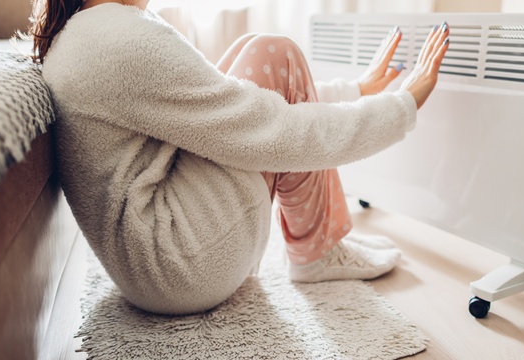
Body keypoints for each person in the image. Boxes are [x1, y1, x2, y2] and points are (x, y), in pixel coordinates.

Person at [32, 0, 450, 315]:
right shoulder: (122, 38)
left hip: (149, 264)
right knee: (274, 53)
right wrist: (401, 108)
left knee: (259, 52)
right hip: (184, 266)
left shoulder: (84, 32)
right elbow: (269, 130)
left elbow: (218, 105)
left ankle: (320, 240)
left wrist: (354, 92)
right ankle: (317, 250)